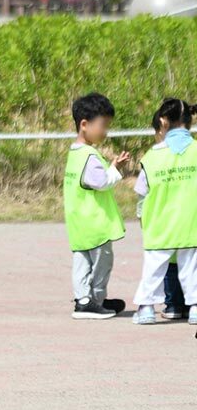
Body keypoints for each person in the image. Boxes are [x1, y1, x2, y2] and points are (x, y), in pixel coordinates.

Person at [132, 98, 197, 325]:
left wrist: (141, 217)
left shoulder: (152, 156)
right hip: (191, 224)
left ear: (163, 121)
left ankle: (146, 309)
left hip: (159, 226)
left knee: (153, 270)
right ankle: (195, 308)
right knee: (191, 269)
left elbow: (142, 193)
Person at [64, 92, 128, 320]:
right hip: (96, 224)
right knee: (102, 262)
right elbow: (101, 182)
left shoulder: (74, 153)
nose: (105, 131)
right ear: (84, 124)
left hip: (78, 222)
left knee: (81, 262)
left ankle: (83, 300)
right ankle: (96, 299)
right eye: (103, 125)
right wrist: (115, 169)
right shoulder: (89, 155)